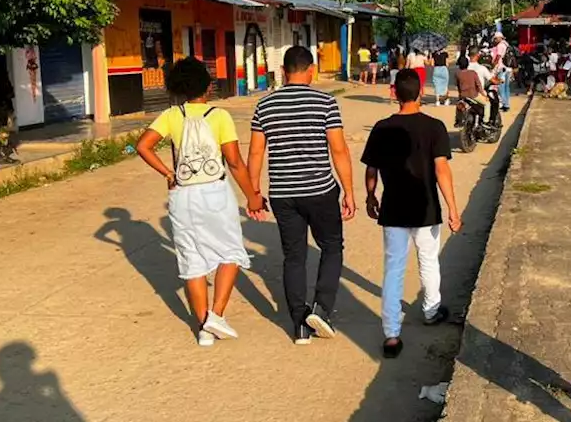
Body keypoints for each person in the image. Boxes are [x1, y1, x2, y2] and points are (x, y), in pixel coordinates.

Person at [134, 57, 265, 347]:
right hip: (214, 192)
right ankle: (215, 316)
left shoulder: (171, 115)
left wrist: (168, 172)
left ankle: (204, 329)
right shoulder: (219, 116)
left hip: (182, 195)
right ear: (207, 87)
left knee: (192, 260)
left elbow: (143, 146)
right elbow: (234, 162)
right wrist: (253, 197)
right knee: (229, 251)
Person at [247, 46, 356, 345]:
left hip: (283, 194)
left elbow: (256, 151)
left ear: (283, 71)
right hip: (320, 190)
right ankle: (321, 308)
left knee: (294, 256)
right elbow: (338, 150)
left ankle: (299, 325)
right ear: (311, 70)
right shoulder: (325, 102)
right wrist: (349, 192)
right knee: (332, 247)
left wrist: (253, 192)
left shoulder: (265, 105)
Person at [362, 69, 461, 358]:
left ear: (394, 93)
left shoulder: (381, 128)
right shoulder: (434, 127)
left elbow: (371, 169)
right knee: (428, 260)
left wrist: (371, 196)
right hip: (426, 207)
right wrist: (454, 209)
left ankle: (391, 335)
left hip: (393, 208)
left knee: (393, 269)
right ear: (420, 92)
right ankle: (431, 311)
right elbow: (442, 170)